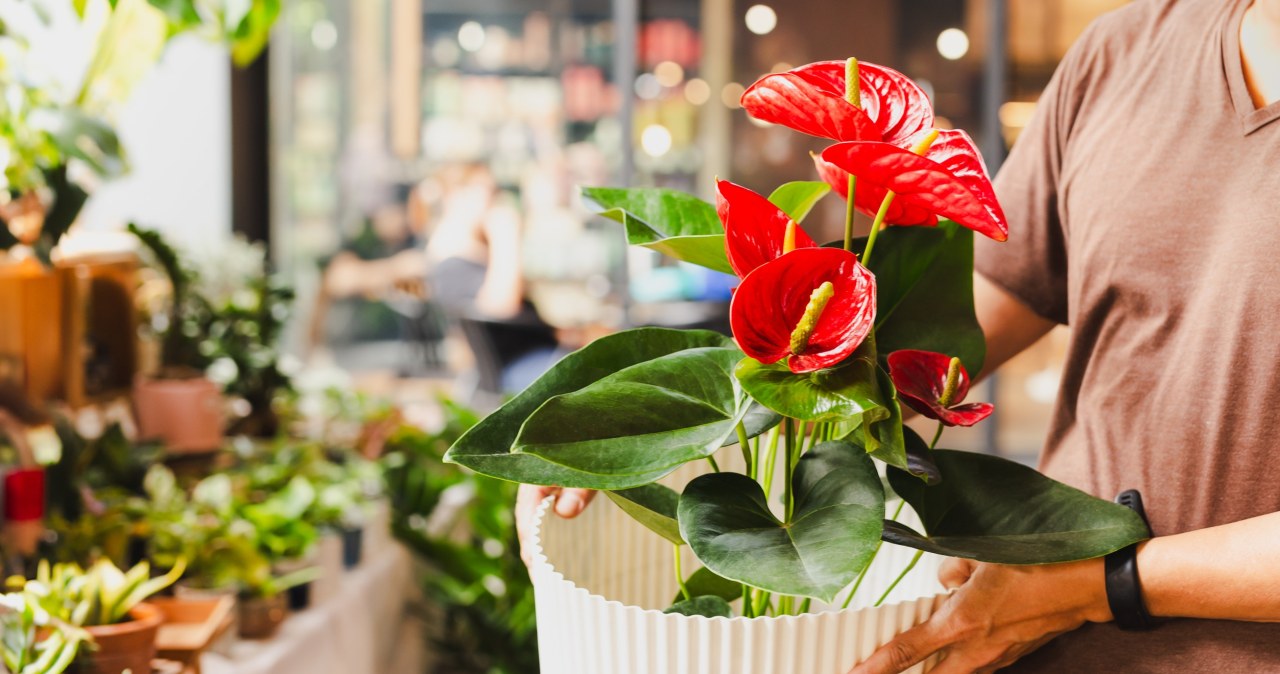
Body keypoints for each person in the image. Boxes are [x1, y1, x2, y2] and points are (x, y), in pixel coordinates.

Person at [519, 0, 1280, 671]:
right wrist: (661, 433)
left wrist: (1099, 587)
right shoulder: (1126, 51)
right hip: (1025, 644)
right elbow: (970, 311)